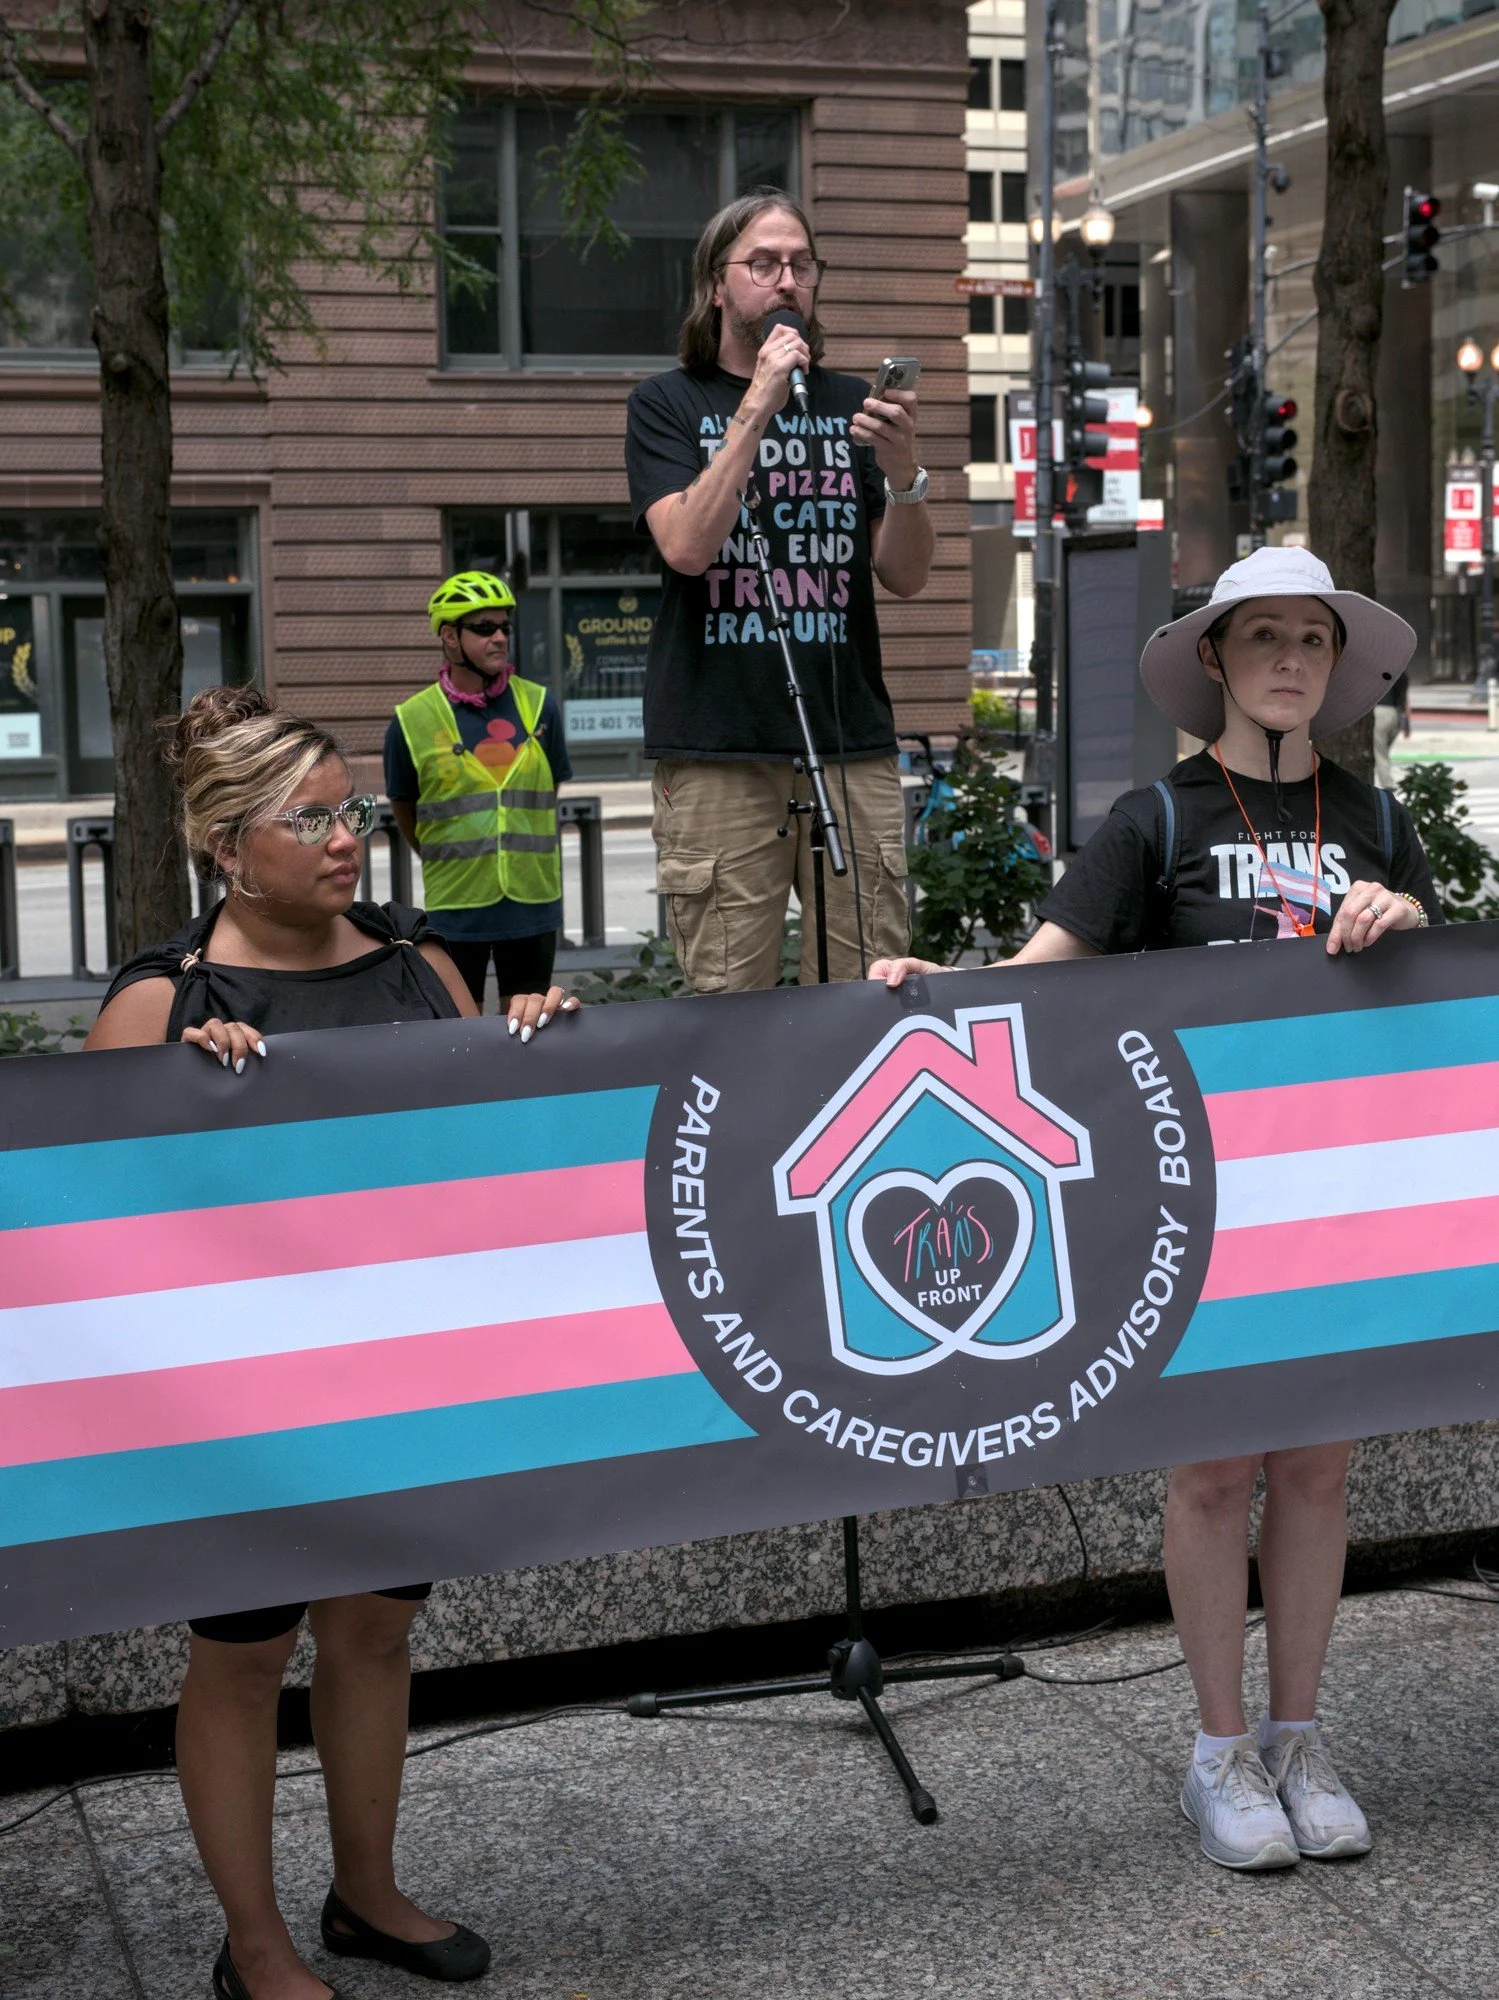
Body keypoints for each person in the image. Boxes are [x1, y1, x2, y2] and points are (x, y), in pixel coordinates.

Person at [872, 545, 1440, 1874]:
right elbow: (1037, 981)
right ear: (1213, 662)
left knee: (1313, 1468)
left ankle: (1298, 1737)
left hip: (1336, 1190)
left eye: (1312, 639)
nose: (1290, 661)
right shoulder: (1155, 822)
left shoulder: (1377, 820)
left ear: (1334, 665)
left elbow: (1433, 1013)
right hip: (1198, 1197)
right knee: (1206, 1471)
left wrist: (1406, 912)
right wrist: (924, 994)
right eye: (1264, 640)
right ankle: (1217, 1749)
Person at [86, 686, 576, 2000]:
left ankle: (367, 1894)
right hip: (236, 1411)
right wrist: (186, 1099)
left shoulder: (423, 970)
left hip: (393, 1383)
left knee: (373, 1631)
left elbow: (484, 1179)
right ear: (226, 846)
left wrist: (533, 1058)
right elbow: (94, 1246)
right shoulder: (158, 1004)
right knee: (241, 1660)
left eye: (349, 810)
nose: (347, 837)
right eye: (308, 820)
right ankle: (254, 1949)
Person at [625, 187, 935, 992]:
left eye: (800, 264)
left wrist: (903, 477)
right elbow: (687, 548)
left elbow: (904, 575)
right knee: (731, 1002)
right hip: (718, 748)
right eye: (762, 263)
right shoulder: (666, 403)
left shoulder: (848, 406)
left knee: (872, 989)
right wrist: (755, 408)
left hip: (845, 740)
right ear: (717, 285)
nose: (785, 280)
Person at [385, 570, 572, 1011]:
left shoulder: (540, 705)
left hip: (532, 904)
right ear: (450, 636)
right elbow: (405, 810)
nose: (500, 638)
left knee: (527, 1032)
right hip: (456, 907)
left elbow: (549, 791)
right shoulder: (411, 720)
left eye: (505, 626)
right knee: (461, 1038)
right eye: (484, 628)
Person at [1373, 669, 1409, 789]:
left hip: (1380, 711)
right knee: (1383, 752)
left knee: (1380, 753)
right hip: (1396, 713)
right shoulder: (1401, 672)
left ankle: (1387, 786)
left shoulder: (1375, 670)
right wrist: (1406, 724)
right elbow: (1405, 699)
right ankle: (1385, 781)